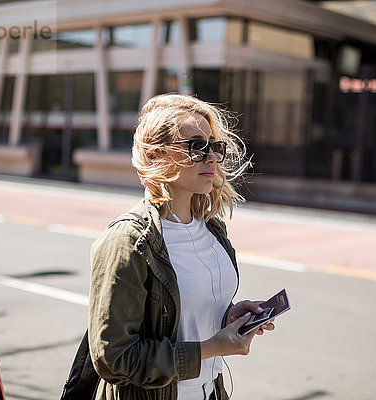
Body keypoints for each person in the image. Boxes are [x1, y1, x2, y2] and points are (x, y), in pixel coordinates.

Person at [88, 94, 274, 400]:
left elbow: (179, 314)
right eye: (196, 147)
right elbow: (115, 358)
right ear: (157, 156)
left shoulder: (212, 228)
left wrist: (226, 315)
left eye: (215, 146)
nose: (212, 157)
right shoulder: (130, 240)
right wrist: (212, 347)